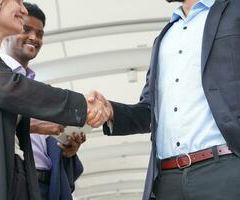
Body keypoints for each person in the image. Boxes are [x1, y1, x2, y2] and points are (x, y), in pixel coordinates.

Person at [0, 0, 106, 200]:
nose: (23, 9)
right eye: (17, 1)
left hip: (16, 175)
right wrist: (80, 106)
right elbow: (5, 91)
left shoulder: (0, 70)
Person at [88, 0, 240, 199]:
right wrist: (111, 111)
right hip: (168, 179)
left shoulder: (234, 10)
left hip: (224, 169)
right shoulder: (164, 38)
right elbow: (148, 111)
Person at [1, 2, 85, 199]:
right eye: (26, 29)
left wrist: (67, 150)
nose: (34, 38)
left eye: (40, 34)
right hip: (16, 182)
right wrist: (30, 123)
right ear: (9, 32)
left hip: (49, 186)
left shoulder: (38, 88)